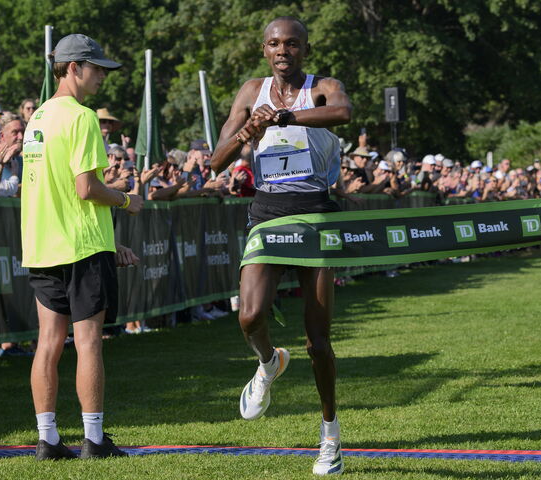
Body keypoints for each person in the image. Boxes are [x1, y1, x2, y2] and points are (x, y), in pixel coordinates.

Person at [211, 16, 351, 476]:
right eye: (274, 43)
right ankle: (269, 363)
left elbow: (342, 113)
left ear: (305, 48)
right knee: (249, 316)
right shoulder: (252, 92)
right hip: (268, 213)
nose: (282, 50)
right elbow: (215, 161)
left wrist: (286, 117)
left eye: (291, 43)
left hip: (315, 215)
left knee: (318, 341)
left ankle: (329, 436)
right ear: (264, 50)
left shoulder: (322, 87)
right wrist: (247, 132)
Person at [20, 33, 143, 461]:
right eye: (97, 68)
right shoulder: (82, 117)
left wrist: (112, 239)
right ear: (74, 68)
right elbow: (86, 188)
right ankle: (93, 438)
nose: (103, 77)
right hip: (81, 248)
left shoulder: (37, 118)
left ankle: (48, 440)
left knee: (48, 343)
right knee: (88, 343)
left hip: (42, 245)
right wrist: (126, 200)